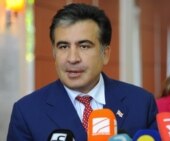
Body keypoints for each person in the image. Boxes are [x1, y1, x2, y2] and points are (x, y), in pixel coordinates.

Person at [7, 3, 158, 141]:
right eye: (63, 47)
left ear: (105, 54)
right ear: (54, 52)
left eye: (84, 46)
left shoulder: (141, 103)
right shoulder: (27, 112)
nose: (72, 58)